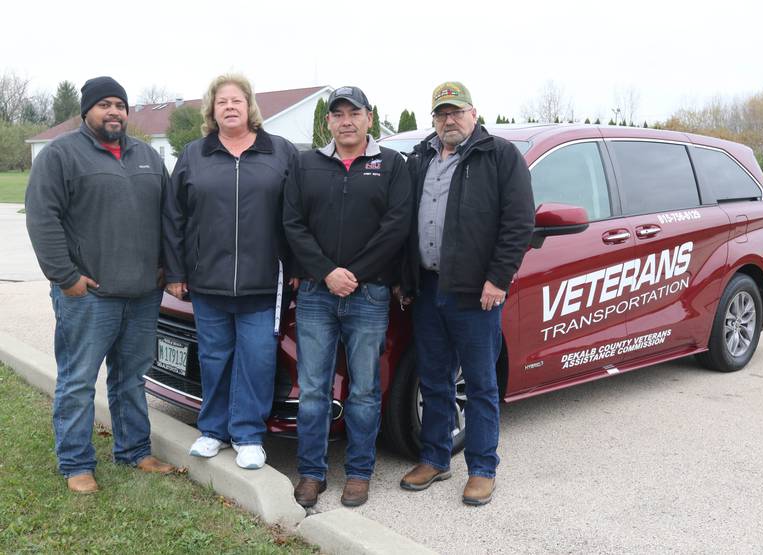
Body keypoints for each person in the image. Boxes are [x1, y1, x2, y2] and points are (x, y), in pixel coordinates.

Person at [25, 76, 175, 494]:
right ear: (86, 111)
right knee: (78, 380)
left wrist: (164, 265)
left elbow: (167, 217)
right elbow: (42, 219)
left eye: (120, 106)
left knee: (132, 378)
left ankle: (134, 451)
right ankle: (76, 463)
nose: (114, 112)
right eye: (105, 105)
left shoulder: (147, 155)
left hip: (143, 294)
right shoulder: (60, 156)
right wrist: (66, 278)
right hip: (88, 297)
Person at [397, 82, 534, 506]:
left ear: (473, 113)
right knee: (435, 379)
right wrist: (404, 277)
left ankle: (482, 468)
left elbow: (518, 223)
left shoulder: (500, 157)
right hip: (427, 288)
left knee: (479, 383)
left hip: (475, 293)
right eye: (441, 114)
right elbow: (403, 221)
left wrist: (498, 278)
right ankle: (436, 458)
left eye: (456, 112)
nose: (448, 120)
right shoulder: (419, 158)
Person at [284, 86, 411, 507]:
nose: (346, 121)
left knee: (364, 390)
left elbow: (395, 227)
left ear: (369, 118)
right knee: (315, 389)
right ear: (328, 122)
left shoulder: (391, 165)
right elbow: (292, 225)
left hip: (369, 295)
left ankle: (359, 473)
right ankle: (312, 473)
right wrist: (326, 272)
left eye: (353, 113)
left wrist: (353, 274)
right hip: (318, 296)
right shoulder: (307, 165)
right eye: (337, 114)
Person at [162, 74, 297, 470]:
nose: (230, 107)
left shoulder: (280, 153)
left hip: (263, 283)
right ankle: (213, 431)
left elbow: (297, 217)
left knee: (257, 359)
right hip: (208, 282)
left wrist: (297, 266)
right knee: (215, 357)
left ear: (249, 106)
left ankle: (248, 435)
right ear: (212, 110)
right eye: (222, 102)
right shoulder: (194, 155)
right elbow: (174, 218)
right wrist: (175, 271)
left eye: (237, 100)